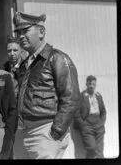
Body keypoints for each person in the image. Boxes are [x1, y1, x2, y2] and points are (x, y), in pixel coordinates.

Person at [13, 11, 80, 159]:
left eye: (26, 31)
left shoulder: (57, 58)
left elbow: (71, 98)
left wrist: (56, 131)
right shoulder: (25, 63)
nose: (21, 36)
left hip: (45, 132)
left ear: (41, 32)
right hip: (23, 131)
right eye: (19, 32)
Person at [74, 75, 106, 158]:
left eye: (93, 84)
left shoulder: (98, 95)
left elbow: (103, 111)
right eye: (89, 84)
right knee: (91, 148)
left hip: (98, 124)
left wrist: (102, 122)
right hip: (87, 124)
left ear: (95, 85)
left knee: (99, 151)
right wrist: (83, 125)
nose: (91, 86)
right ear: (86, 84)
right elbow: (76, 113)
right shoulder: (81, 96)